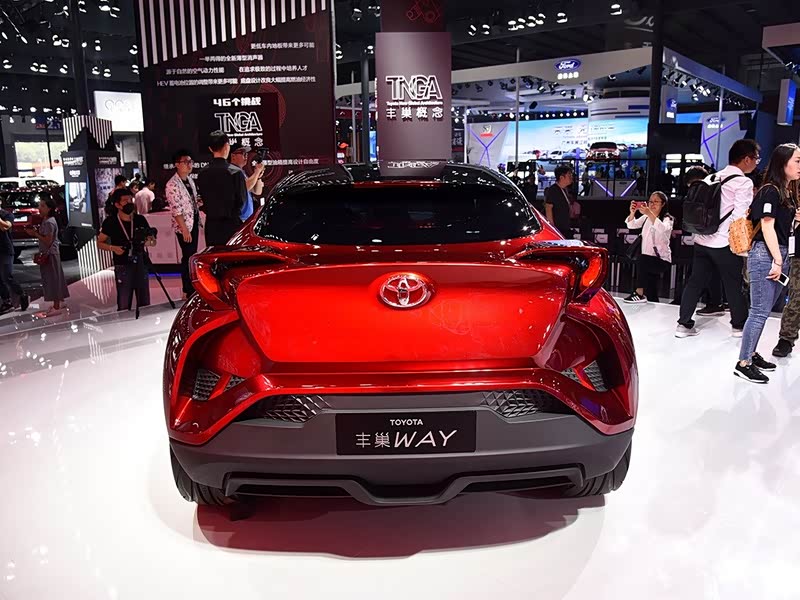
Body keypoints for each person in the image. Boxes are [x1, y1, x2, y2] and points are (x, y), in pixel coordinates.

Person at [676, 139, 759, 338]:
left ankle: (683, 325)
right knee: (733, 284)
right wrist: (743, 246)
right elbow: (740, 216)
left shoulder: (712, 177)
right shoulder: (743, 182)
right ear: (746, 159)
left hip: (701, 239)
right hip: (724, 242)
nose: (757, 162)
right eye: (756, 158)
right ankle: (739, 326)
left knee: (695, 282)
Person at [735, 143, 800, 383]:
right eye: (797, 161)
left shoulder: (785, 191)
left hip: (777, 253)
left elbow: (780, 227)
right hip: (767, 255)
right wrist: (778, 260)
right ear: (783, 162)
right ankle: (743, 363)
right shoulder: (770, 190)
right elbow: (767, 225)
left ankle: (751, 354)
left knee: (763, 310)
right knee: (759, 312)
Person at [97, 188, 155, 311]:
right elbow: (100, 243)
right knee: (124, 300)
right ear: (117, 204)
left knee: (144, 300)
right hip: (122, 263)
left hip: (140, 261)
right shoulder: (110, 222)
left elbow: (152, 240)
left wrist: (148, 241)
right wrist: (113, 248)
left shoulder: (140, 219)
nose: (129, 202)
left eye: (130, 199)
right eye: (125, 200)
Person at [197, 130, 247, 246]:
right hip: (232, 225)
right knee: (232, 255)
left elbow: (203, 199)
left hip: (211, 225)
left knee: (214, 255)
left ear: (210, 149)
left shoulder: (202, 173)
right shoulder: (235, 172)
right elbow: (241, 200)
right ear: (227, 146)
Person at [623, 192, 674, 303]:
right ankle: (653, 303)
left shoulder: (668, 219)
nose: (652, 204)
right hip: (648, 260)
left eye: (656, 201)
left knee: (642, 259)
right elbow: (631, 225)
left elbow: (663, 229)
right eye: (650, 201)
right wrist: (632, 212)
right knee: (651, 291)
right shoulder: (646, 217)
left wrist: (649, 213)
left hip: (661, 260)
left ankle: (639, 293)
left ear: (663, 204)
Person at [24, 196, 69, 316]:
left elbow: (48, 241)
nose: (39, 208)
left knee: (53, 279)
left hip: (50, 254)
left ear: (49, 208)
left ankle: (57, 306)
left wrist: (35, 233)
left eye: (42, 206)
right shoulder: (47, 220)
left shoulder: (49, 222)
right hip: (51, 253)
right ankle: (59, 302)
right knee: (55, 278)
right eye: (39, 205)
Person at [165, 149, 200, 300]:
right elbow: (176, 210)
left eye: (190, 161)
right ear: (177, 164)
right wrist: (184, 230)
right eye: (185, 162)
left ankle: (192, 286)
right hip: (184, 226)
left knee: (192, 255)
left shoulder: (190, 180)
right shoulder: (172, 184)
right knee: (187, 256)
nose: (189, 164)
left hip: (193, 222)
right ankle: (187, 289)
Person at [0, 205, 29, 313]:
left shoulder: (7, 215)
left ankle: (22, 294)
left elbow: (5, 227)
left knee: (7, 276)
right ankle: (6, 301)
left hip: (5, 250)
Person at [228, 143, 265, 222]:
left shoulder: (242, 172)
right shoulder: (232, 170)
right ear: (233, 156)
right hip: (238, 218)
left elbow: (257, 191)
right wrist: (257, 172)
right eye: (243, 153)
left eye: (246, 154)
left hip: (246, 218)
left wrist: (258, 176)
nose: (246, 156)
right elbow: (244, 188)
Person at [544, 165, 574, 238]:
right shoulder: (553, 190)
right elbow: (548, 208)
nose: (571, 177)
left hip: (565, 227)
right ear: (561, 177)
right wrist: (552, 228)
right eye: (569, 175)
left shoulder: (564, 190)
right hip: (558, 229)